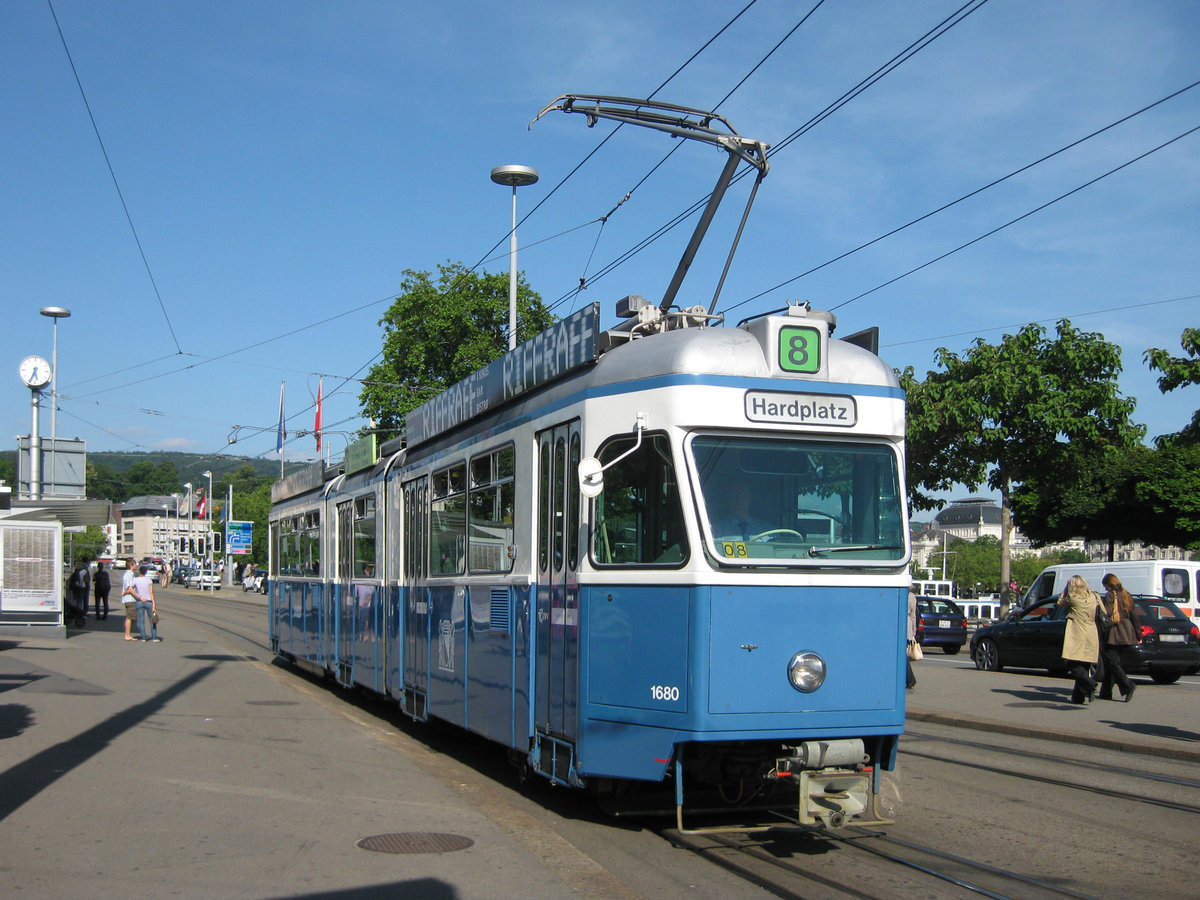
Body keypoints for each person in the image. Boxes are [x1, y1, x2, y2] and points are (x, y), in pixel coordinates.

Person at [1056, 575, 1102, 704]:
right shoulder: (1095, 596)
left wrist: (1065, 590)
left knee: (1071, 663)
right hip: (1092, 631)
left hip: (1077, 631)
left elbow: (1059, 603)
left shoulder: (1072, 598)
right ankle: (1078, 696)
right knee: (1084, 664)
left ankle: (1091, 683)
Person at [1097, 573, 1141, 702]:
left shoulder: (1111, 596)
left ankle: (1128, 685)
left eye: (1105, 586)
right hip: (1127, 631)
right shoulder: (1127, 594)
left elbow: (1108, 613)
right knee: (1112, 661)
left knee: (1111, 661)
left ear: (1109, 585)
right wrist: (1138, 634)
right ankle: (1106, 692)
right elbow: (1134, 616)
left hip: (1115, 631)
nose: (1105, 589)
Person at [131, 565, 158, 642]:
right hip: (149, 601)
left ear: (139, 571)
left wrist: (138, 596)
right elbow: (151, 592)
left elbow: (130, 589)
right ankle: (154, 637)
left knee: (141, 620)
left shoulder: (135, 580)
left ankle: (143, 637)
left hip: (140, 601)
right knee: (152, 620)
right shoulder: (149, 580)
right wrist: (154, 603)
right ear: (146, 572)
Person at [120, 558, 139, 641]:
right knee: (130, 617)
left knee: (130, 617)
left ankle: (128, 634)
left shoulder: (129, 574)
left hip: (128, 599)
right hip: (130, 599)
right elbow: (130, 588)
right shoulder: (129, 574)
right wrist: (138, 596)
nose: (136, 566)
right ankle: (127, 635)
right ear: (131, 565)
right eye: (135, 564)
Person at [906, 588, 918, 690]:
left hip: (904, 626)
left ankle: (910, 679)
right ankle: (909, 679)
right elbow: (913, 614)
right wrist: (913, 631)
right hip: (908, 626)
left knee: (902, 656)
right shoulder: (911, 596)